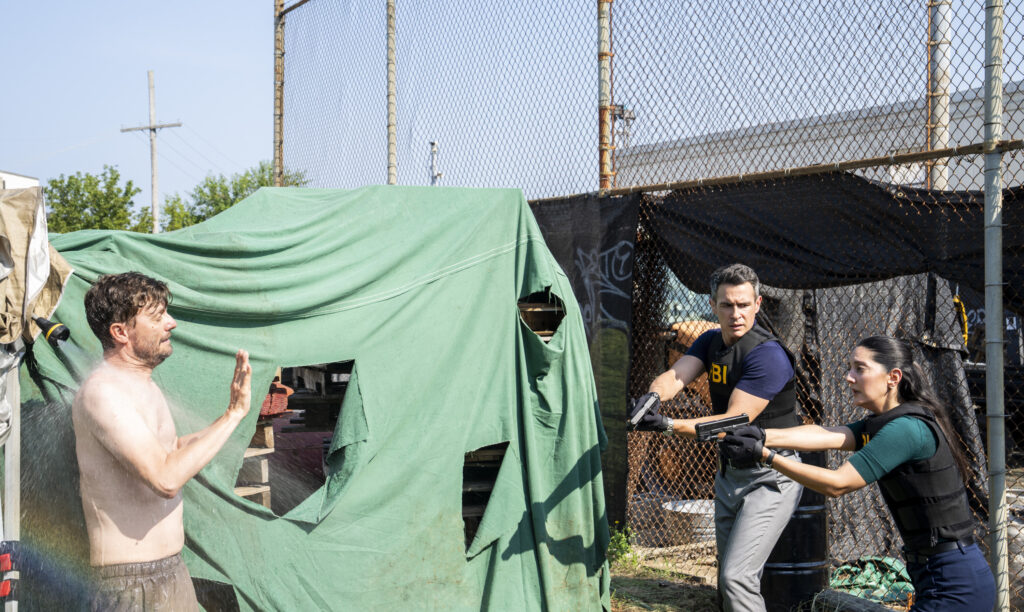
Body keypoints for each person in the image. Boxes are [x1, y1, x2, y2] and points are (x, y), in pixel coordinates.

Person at [722, 335, 996, 612]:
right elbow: (829, 435)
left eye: (860, 369)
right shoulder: (889, 422)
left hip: (954, 585)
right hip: (941, 576)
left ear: (893, 377)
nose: (849, 377)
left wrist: (765, 456)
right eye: (850, 368)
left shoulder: (905, 430)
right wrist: (762, 435)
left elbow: (838, 484)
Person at [71, 272, 253, 611]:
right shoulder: (102, 392)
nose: (171, 323)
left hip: (171, 571)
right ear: (121, 332)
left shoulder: (142, 385)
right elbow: (165, 478)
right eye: (157, 317)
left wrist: (234, 414)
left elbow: (172, 452)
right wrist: (231, 416)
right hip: (130, 583)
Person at [628, 263, 803, 612]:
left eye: (743, 304)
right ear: (713, 305)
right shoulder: (711, 340)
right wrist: (652, 398)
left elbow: (732, 421)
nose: (736, 314)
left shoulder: (768, 354)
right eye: (727, 305)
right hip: (729, 474)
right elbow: (676, 376)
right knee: (727, 584)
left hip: (772, 474)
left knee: (736, 579)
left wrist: (667, 425)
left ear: (758, 304)